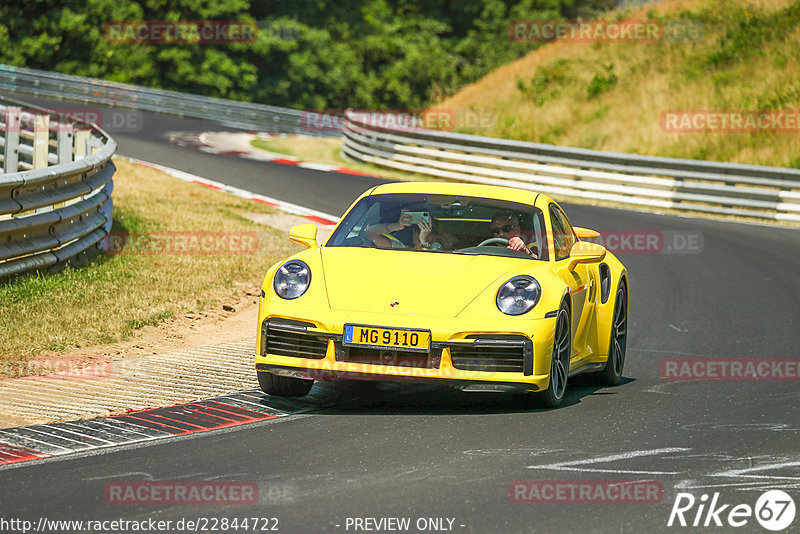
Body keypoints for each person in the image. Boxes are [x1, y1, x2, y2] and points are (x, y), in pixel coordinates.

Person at [366, 210, 452, 250]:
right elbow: (369, 232)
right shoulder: (401, 248)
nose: (420, 243)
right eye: (418, 238)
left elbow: (428, 259)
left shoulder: (444, 254)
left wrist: (423, 241)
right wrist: (397, 226)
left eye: (429, 241)